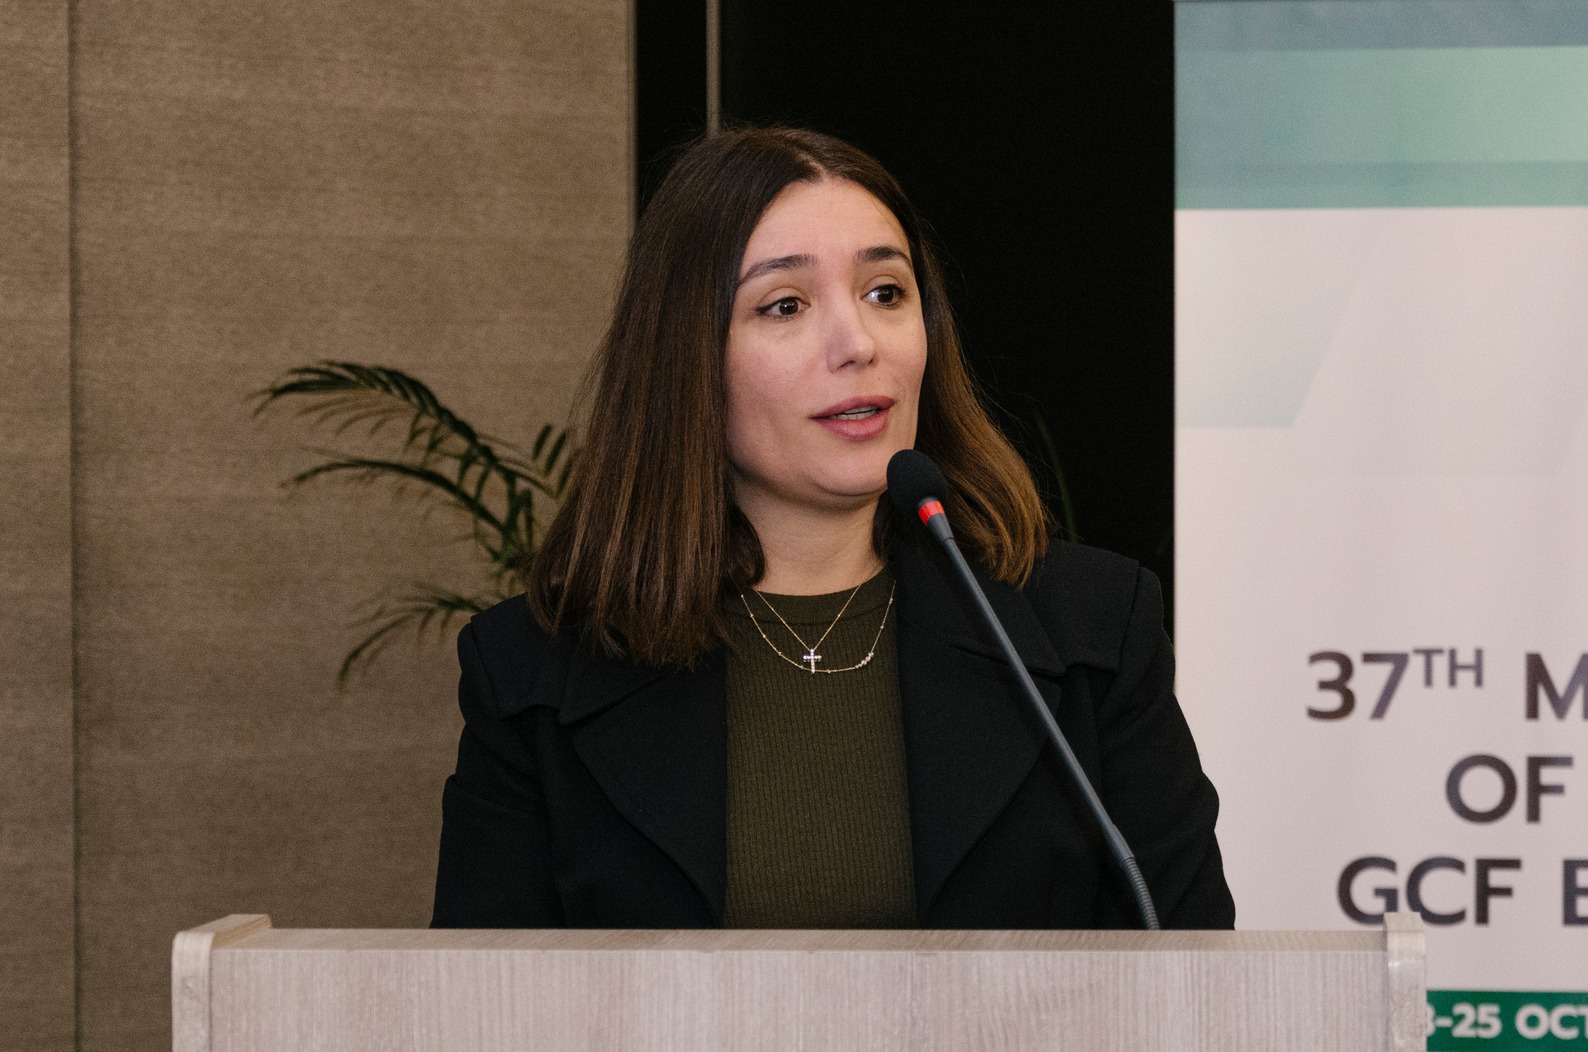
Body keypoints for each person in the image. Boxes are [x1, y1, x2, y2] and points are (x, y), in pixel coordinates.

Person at [429, 127, 1231, 931]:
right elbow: (486, 1003)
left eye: (885, 292)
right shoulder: (531, 675)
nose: (858, 344)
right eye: (785, 305)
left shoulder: (1092, 630)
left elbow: (1192, 976)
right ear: (686, 358)